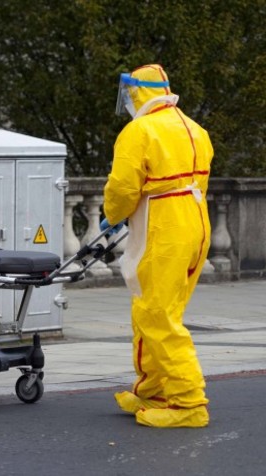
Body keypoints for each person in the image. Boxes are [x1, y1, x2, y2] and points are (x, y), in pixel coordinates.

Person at [100, 64, 214, 428]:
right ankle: (153, 390)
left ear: (138, 94)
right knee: (157, 310)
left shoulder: (140, 130)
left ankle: (188, 402)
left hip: (164, 226)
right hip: (195, 222)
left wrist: (113, 213)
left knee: (157, 316)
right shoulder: (195, 128)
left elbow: (122, 188)